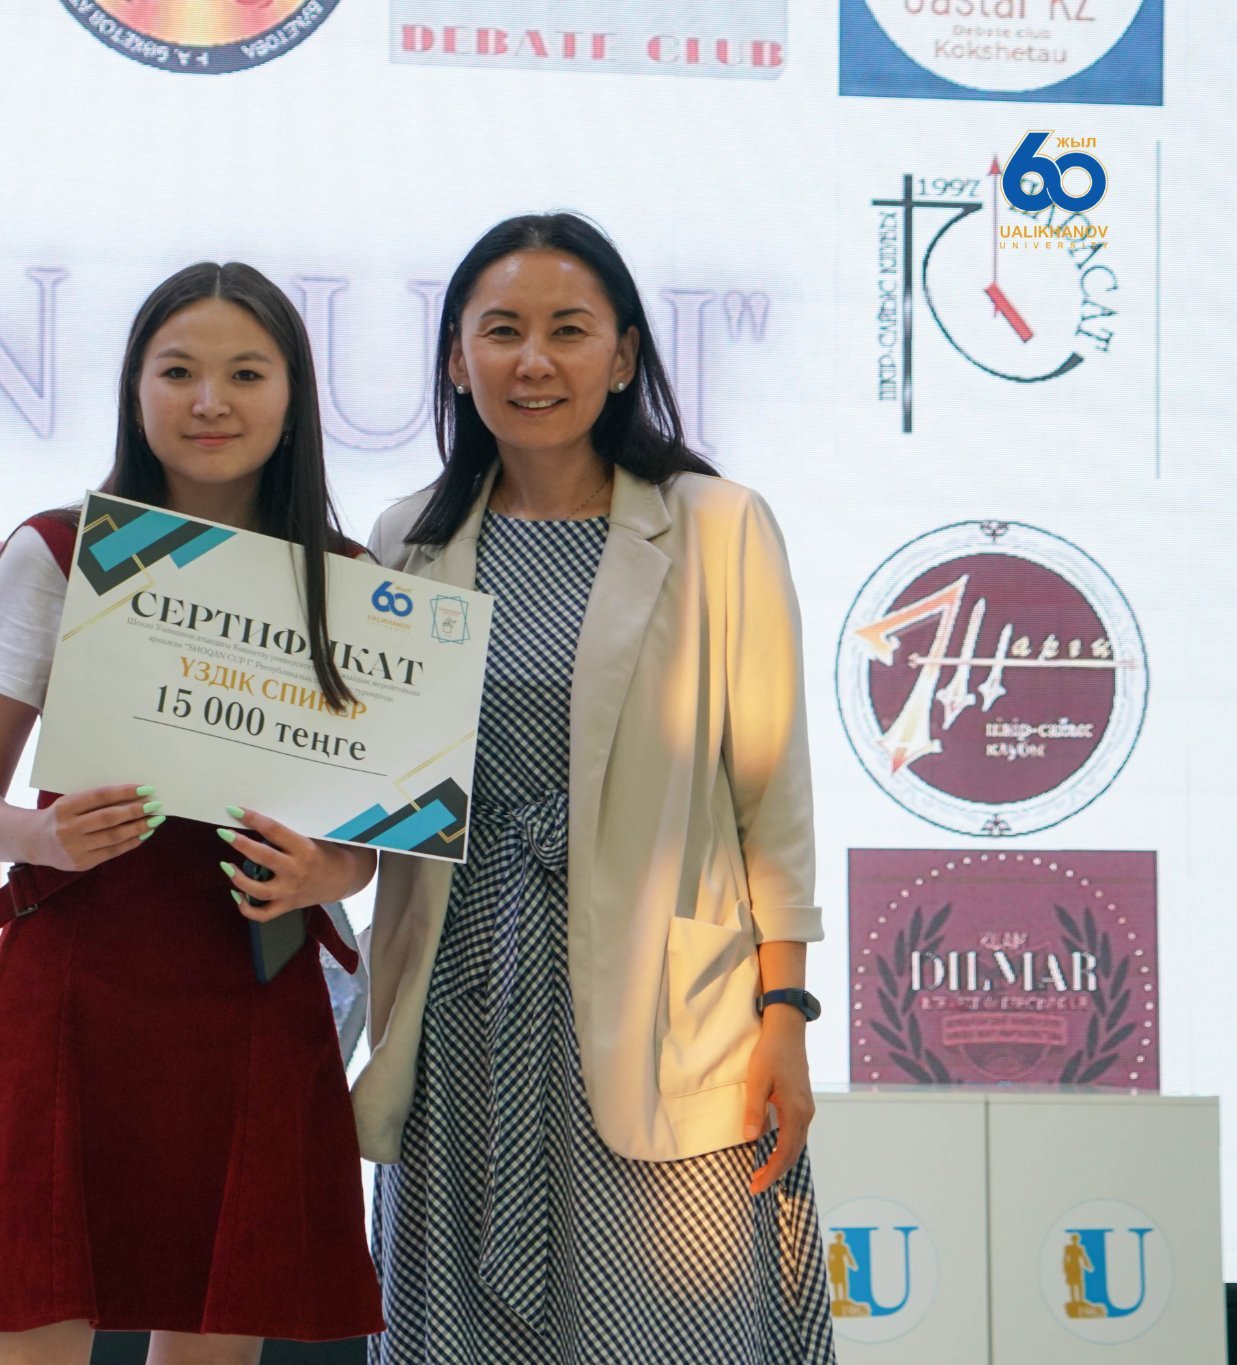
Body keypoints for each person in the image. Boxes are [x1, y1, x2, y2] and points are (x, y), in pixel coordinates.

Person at [358, 213, 836, 1363]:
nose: (534, 361)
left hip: (670, 1005)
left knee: (675, 1325)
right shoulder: (406, 541)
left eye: (568, 331)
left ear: (621, 356)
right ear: (454, 359)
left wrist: (783, 1013)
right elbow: (379, 793)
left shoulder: (716, 527)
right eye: (501, 332)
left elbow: (769, 801)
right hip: (463, 1001)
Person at [0, 262, 385, 1365]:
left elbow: (363, 848)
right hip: (77, 978)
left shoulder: (351, 581)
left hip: (252, 985)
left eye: (245, 373)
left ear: (293, 396)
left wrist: (323, 874)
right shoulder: (61, 553)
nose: (210, 401)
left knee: (217, 1318)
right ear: (134, 388)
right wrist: (40, 835)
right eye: (178, 372)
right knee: (34, 1308)